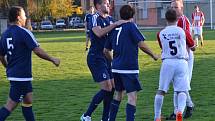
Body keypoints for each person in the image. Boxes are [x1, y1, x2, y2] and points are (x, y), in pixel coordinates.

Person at [0, 6, 60, 121]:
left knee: (28, 100)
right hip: (21, 76)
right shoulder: (24, 32)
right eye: (24, 15)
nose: (26, 17)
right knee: (10, 106)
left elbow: (1, 56)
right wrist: (53, 59)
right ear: (18, 17)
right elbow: (37, 51)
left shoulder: (4, 34)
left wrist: (8, 67)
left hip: (17, 75)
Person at [104, 5, 158, 121]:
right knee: (132, 97)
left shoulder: (114, 28)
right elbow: (141, 44)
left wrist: (114, 61)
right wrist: (153, 55)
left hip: (116, 68)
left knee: (118, 94)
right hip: (128, 68)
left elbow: (106, 51)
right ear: (132, 16)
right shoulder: (131, 26)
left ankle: (110, 119)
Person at [80, 0, 127, 121]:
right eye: (106, 3)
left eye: (108, 3)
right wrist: (115, 25)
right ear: (98, 5)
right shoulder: (94, 17)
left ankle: (105, 118)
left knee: (111, 89)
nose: (108, 5)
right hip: (96, 57)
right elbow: (99, 33)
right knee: (107, 87)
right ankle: (86, 115)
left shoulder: (111, 19)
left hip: (107, 57)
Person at [154, 8, 196, 121]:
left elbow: (163, 47)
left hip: (167, 62)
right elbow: (193, 47)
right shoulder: (183, 31)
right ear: (177, 18)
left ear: (165, 19)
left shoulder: (160, 33)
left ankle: (157, 117)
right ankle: (179, 113)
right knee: (181, 90)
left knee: (161, 90)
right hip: (181, 62)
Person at [166, 1, 196, 120]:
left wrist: (184, 57)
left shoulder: (183, 20)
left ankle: (178, 112)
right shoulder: (172, 20)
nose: (173, 9)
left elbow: (187, 41)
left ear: (182, 8)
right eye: (172, 7)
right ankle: (188, 106)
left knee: (181, 86)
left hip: (184, 57)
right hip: (176, 57)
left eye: (176, 7)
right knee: (178, 85)